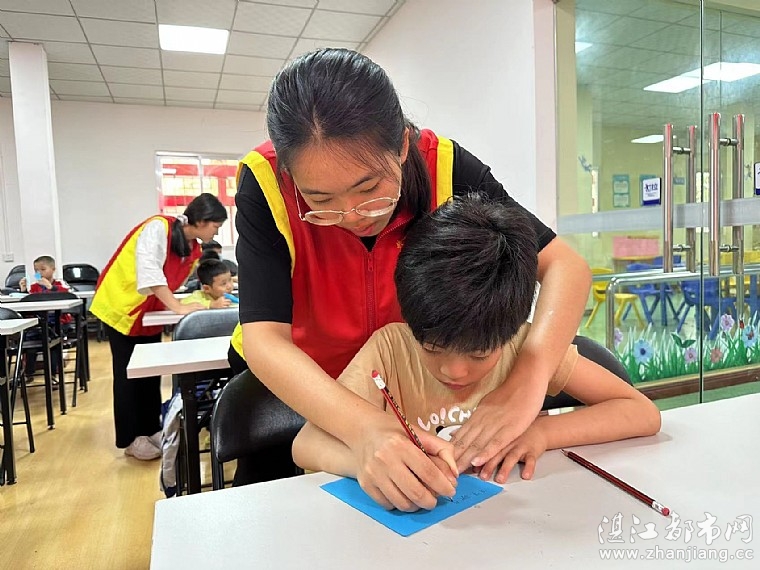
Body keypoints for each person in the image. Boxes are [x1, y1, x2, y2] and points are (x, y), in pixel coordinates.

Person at [233, 48, 592, 507]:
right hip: (304, 386)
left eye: (369, 188)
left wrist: (529, 378)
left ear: (403, 146)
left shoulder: (447, 166)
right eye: (320, 200)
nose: (352, 216)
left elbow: (565, 266)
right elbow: (264, 339)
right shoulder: (264, 182)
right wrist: (363, 427)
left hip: (405, 381)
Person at [292, 195, 661, 503]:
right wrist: (369, 457)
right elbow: (305, 444)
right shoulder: (390, 350)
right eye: (432, 347)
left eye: (479, 355)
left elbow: (641, 413)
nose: (454, 371)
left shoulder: (521, 345)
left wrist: (542, 433)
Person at [90, 193, 227, 461]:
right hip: (122, 308)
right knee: (128, 376)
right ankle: (130, 439)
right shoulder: (158, 227)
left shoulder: (193, 248)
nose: (217, 231)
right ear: (201, 221)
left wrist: (179, 305)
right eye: (215, 225)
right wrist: (177, 307)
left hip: (148, 312)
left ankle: (150, 429)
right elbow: (150, 273)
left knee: (150, 374)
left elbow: (169, 283)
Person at [18, 255, 75, 382]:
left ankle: (52, 375)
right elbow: (28, 306)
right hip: (39, 324)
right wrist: (23, 291)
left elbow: (67, 293)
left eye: (43, 269)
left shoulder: (60, 284)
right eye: (36, 271)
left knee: (53, 342)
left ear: (53, 269)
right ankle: (28, 373)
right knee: (29, 342)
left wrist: (51, 287)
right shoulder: (34, 287)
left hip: (58, 323)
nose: (39, 273)